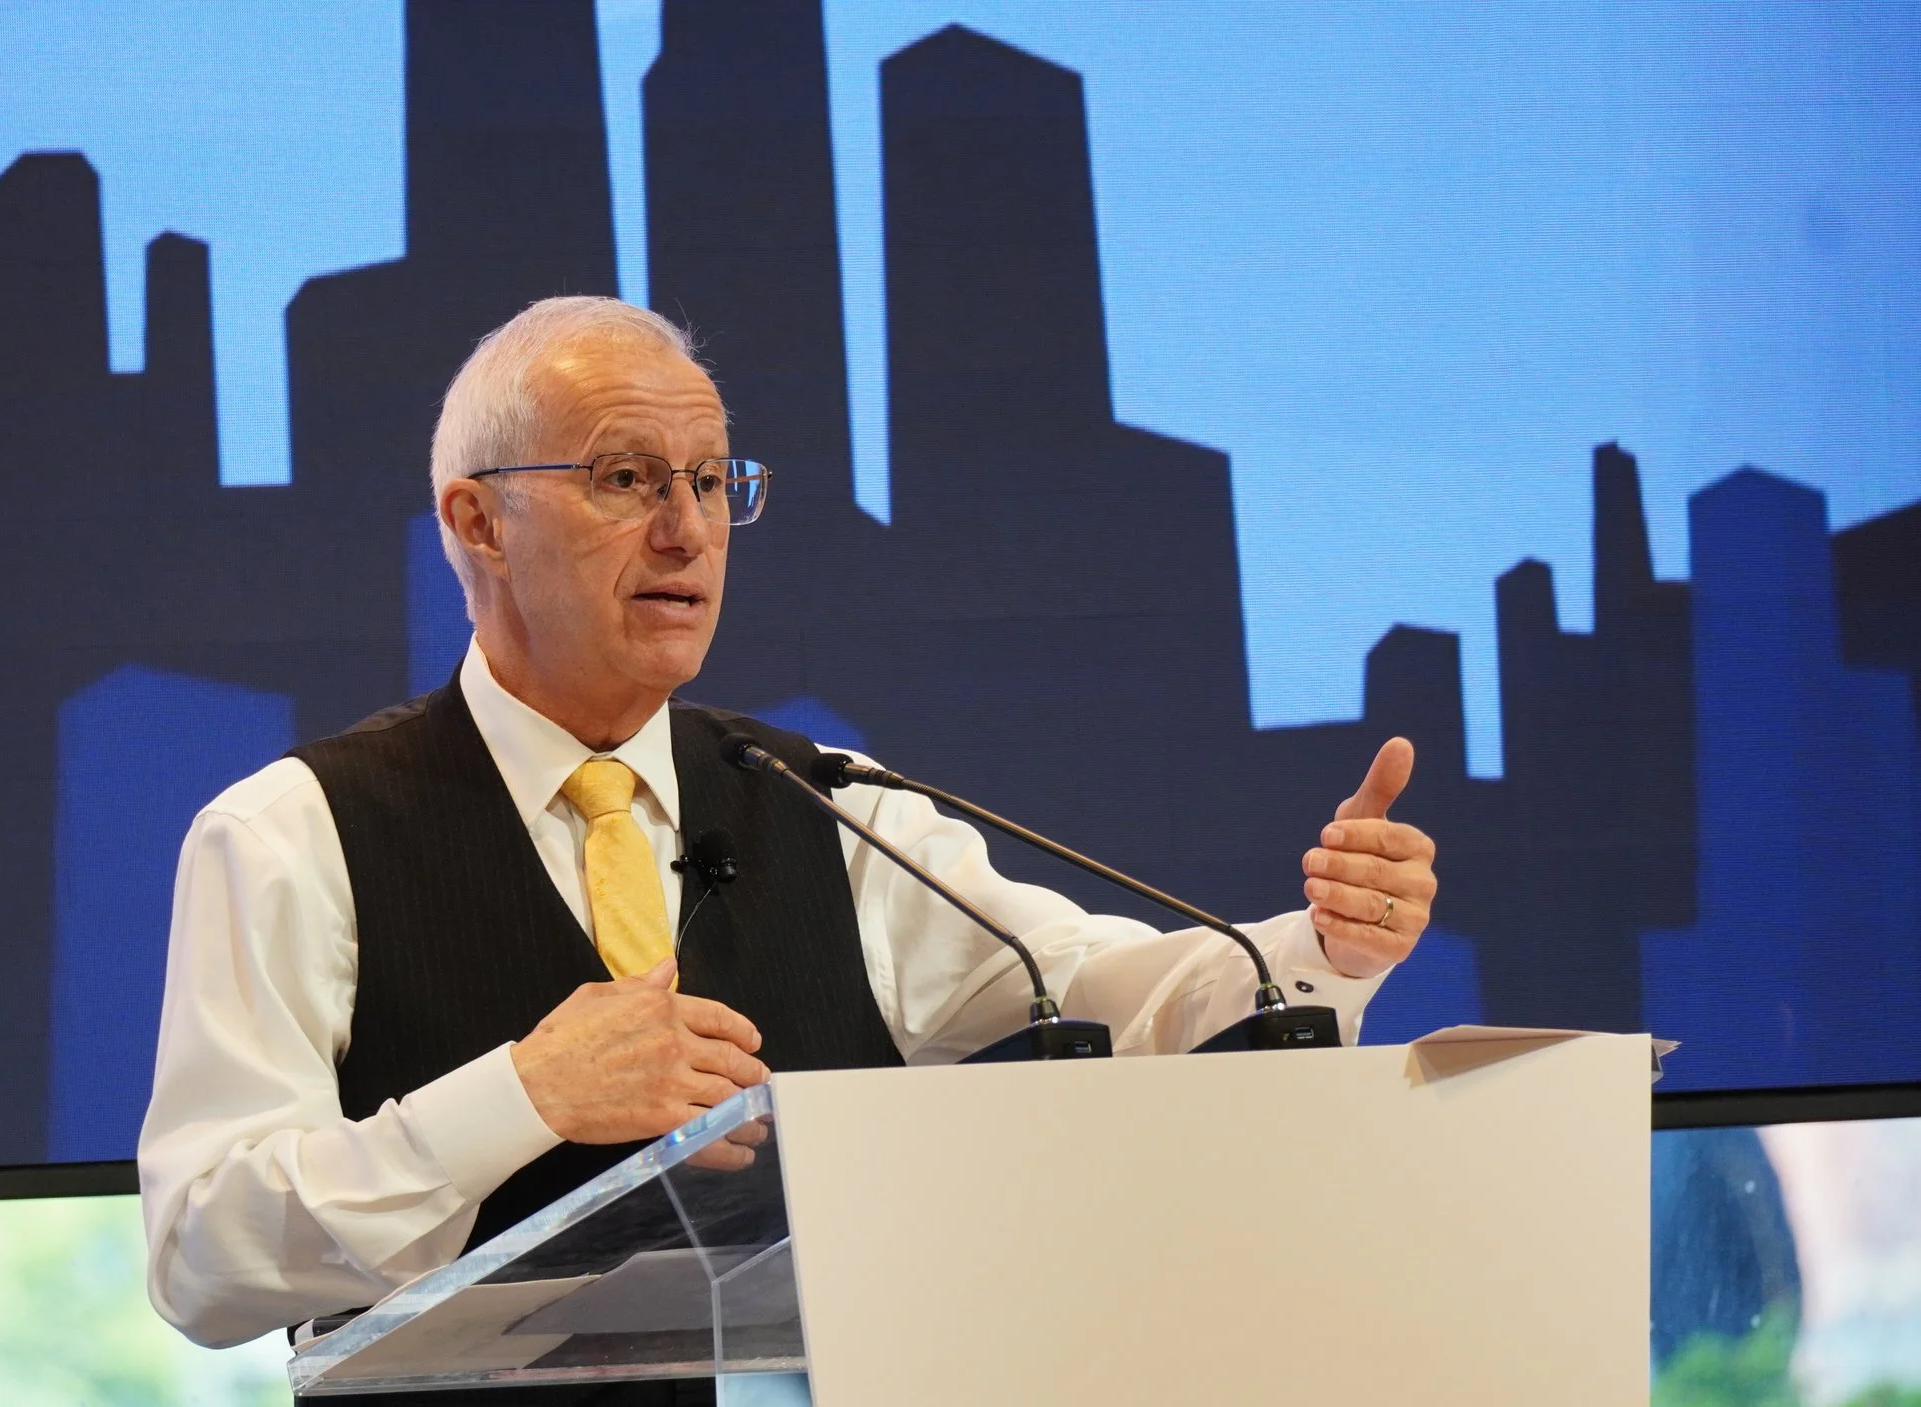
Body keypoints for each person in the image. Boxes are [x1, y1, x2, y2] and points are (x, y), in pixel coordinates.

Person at [137, 297, 1439, 1380]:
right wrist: (523, 1093)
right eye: (624, 477)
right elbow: (203, 1254)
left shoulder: (833, 806)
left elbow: (1112, 998)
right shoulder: (291, 836)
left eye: (710, 481)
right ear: (475, 521)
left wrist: (1317, 946)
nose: (689, 529)